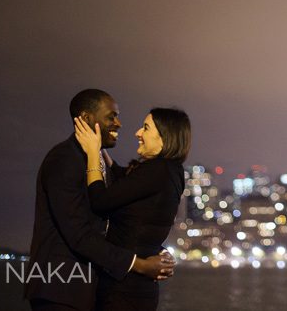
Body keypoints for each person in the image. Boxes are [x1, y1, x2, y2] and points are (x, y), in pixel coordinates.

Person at [26, 89, 175, 311]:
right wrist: (139, 264)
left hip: (88, 288)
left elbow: (123, 217)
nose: (119, 123)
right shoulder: (64, 159)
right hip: (61, 290)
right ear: (87, 119)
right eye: (111, 116)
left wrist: (153, 249)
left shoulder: (97, 160)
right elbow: (78, 234)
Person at [74, 107, 190, 311]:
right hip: (141, 286)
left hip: (123, 287)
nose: (137, 133)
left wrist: (93, 153)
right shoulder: (173, 172)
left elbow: (100, 201)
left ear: (164, 137)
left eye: (145, 128)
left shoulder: (156, 170)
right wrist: (101, 148)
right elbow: (124, 181)